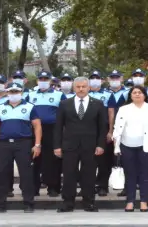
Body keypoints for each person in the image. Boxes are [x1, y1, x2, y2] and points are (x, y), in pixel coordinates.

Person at [54, 76, 108, 212]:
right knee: (69, 174)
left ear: (89, 87)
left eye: (84, 86)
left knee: (89, 175)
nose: (81, 89)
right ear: (74, 88)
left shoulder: (98, 104)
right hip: (69, 145)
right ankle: (67, 203)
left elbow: (103, 127)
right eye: (78, 87)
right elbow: (58, 127)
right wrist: (57, 146)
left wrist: (101, 145)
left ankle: (89, 202)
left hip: (90, 146)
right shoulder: (65, 104)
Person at [0, 82, 42, 213]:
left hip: (23, 143)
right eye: (11, 92)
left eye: (16, 92)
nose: (14, 94)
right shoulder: (0, 108)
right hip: (4, 144)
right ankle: (0, 205)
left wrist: (37, 144)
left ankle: (28, 203)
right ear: (7, 93)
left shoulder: (29, 107)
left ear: (21, 92)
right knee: (2, 174)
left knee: (26, 174)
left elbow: (37, 126)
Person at [113, 86, 148, 212]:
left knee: (145, 175)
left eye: (140, 92)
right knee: (129, 174)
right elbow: (117, 128)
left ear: (145, 95)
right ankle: (130, 202)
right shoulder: (123, 109)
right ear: (130, 95)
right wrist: (116, 145)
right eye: (134, 93)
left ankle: (143, 202)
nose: (137, 94)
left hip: (146, 146)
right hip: (126, 145)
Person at [28, 70, 66, 197]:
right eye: (41, 79)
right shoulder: (30, 94)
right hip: (34, 129)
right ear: (37, 81)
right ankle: (33, 187)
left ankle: (53, 187)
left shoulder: (59, 95)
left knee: (53, 159)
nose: (43, 81)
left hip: (53, 129)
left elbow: (64, 113)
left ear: (50, 81)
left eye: (46, 79)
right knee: (34, 158)